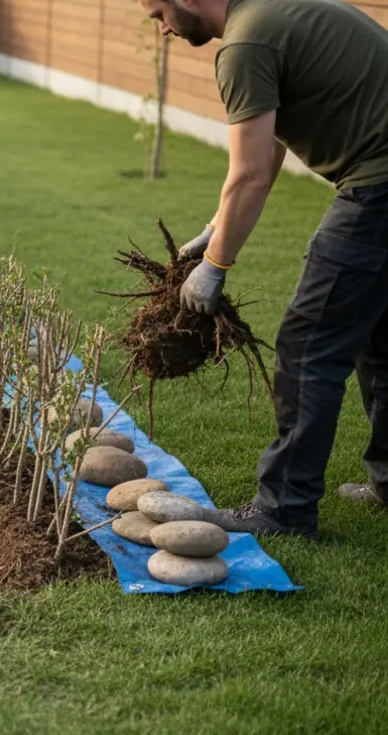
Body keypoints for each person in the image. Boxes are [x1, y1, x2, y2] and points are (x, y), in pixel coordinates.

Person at [138, 0, 388, 538]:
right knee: (378, 336)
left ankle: (284, 509)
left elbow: (248, 173)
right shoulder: (271, 12)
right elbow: (269, 140)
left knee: (308, 345)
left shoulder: (245, 44)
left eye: (159, 14)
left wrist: (215, 265)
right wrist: (217, 225)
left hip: (379, 185)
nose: (161, 30)